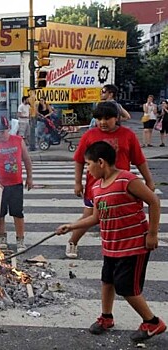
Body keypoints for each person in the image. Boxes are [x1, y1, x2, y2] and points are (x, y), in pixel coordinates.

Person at [56, 141, 165, 342]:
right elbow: (96, 217)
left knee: (126, 288)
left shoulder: (127, 180)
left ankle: (152, 321)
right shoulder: (97, 187)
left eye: (88, 165)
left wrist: (152, 233)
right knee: (107, 281)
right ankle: (106, 317)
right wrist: (72, 226)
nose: (87, 170)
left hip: (133, 246)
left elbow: (154, 201)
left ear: (101, 162)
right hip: (111, 246)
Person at [65, 102, 154, 259]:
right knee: (91, 217)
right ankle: (73, 241)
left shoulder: (128, 135)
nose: (103, 122)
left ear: (117, 118)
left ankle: (123, 248)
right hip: (96, 187)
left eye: (107, 118)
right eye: (99, 119)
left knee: (121, 217)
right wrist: (77, 182)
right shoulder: (89, 136)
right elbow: (79, 160)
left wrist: (149, 180)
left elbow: (139, 160)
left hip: (123, 188)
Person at [0, 115, 33, 252]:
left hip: (16, 183)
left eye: (3, 131)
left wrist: (29, 178)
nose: (0, 135)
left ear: (9, 129)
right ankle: (2, 237)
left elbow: (27, 160)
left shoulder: (18, 141)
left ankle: (20, 239)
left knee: (18, 213)